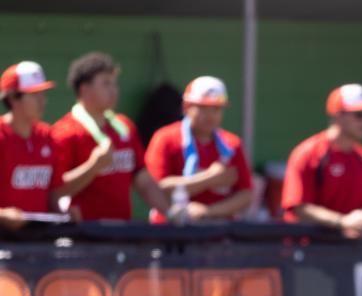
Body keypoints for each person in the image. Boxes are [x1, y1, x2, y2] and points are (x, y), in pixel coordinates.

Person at [52, 52, 169, 221]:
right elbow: (55, 190)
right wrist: (94, 166)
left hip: (122, 231)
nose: (113, 90)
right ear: (84, 89)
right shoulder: (64, 132)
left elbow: (143, 180)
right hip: (83, 235)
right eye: (106, 84)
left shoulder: (124, 126)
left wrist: (171, 213)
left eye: (115, 84)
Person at [145, 76, 253, 224]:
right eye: (202, 108)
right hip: (170, 229)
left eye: (216, 109)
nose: (210, 115)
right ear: (186, 107)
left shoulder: (232, 143)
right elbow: (156, 189)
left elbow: (246, 194)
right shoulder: (165, 138)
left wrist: (208, 212)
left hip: (218, 232)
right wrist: (209, 178)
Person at [281, 84, 362, 238]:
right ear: (337, 115)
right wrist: (343, 221)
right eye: (359, 115)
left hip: (349, 250)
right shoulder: (307, 153)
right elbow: (298, 207)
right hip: (305, 251)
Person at [0, 61, 65, 231]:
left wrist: (64, 213)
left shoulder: (46, 135)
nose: (42, 100)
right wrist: (2, 214)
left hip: (39, 241)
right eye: (35, 94)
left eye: (43, 93)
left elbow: (53, 192)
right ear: (13, 98)